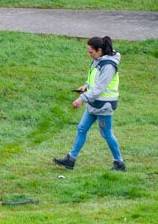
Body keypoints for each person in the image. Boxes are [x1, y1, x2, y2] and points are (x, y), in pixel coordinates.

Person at [53, 36, 125, 172]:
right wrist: (85, 85)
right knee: (81, 128)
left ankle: (119, 163)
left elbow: (99, 89)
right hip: (94, 103)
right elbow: (94, 80)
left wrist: (81, 98)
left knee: (106, 133)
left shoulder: (108, 66)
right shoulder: (97, 60)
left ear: (100, 50)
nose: (89, 55)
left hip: (104, 105)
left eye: (91, 52)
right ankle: (70, 159)